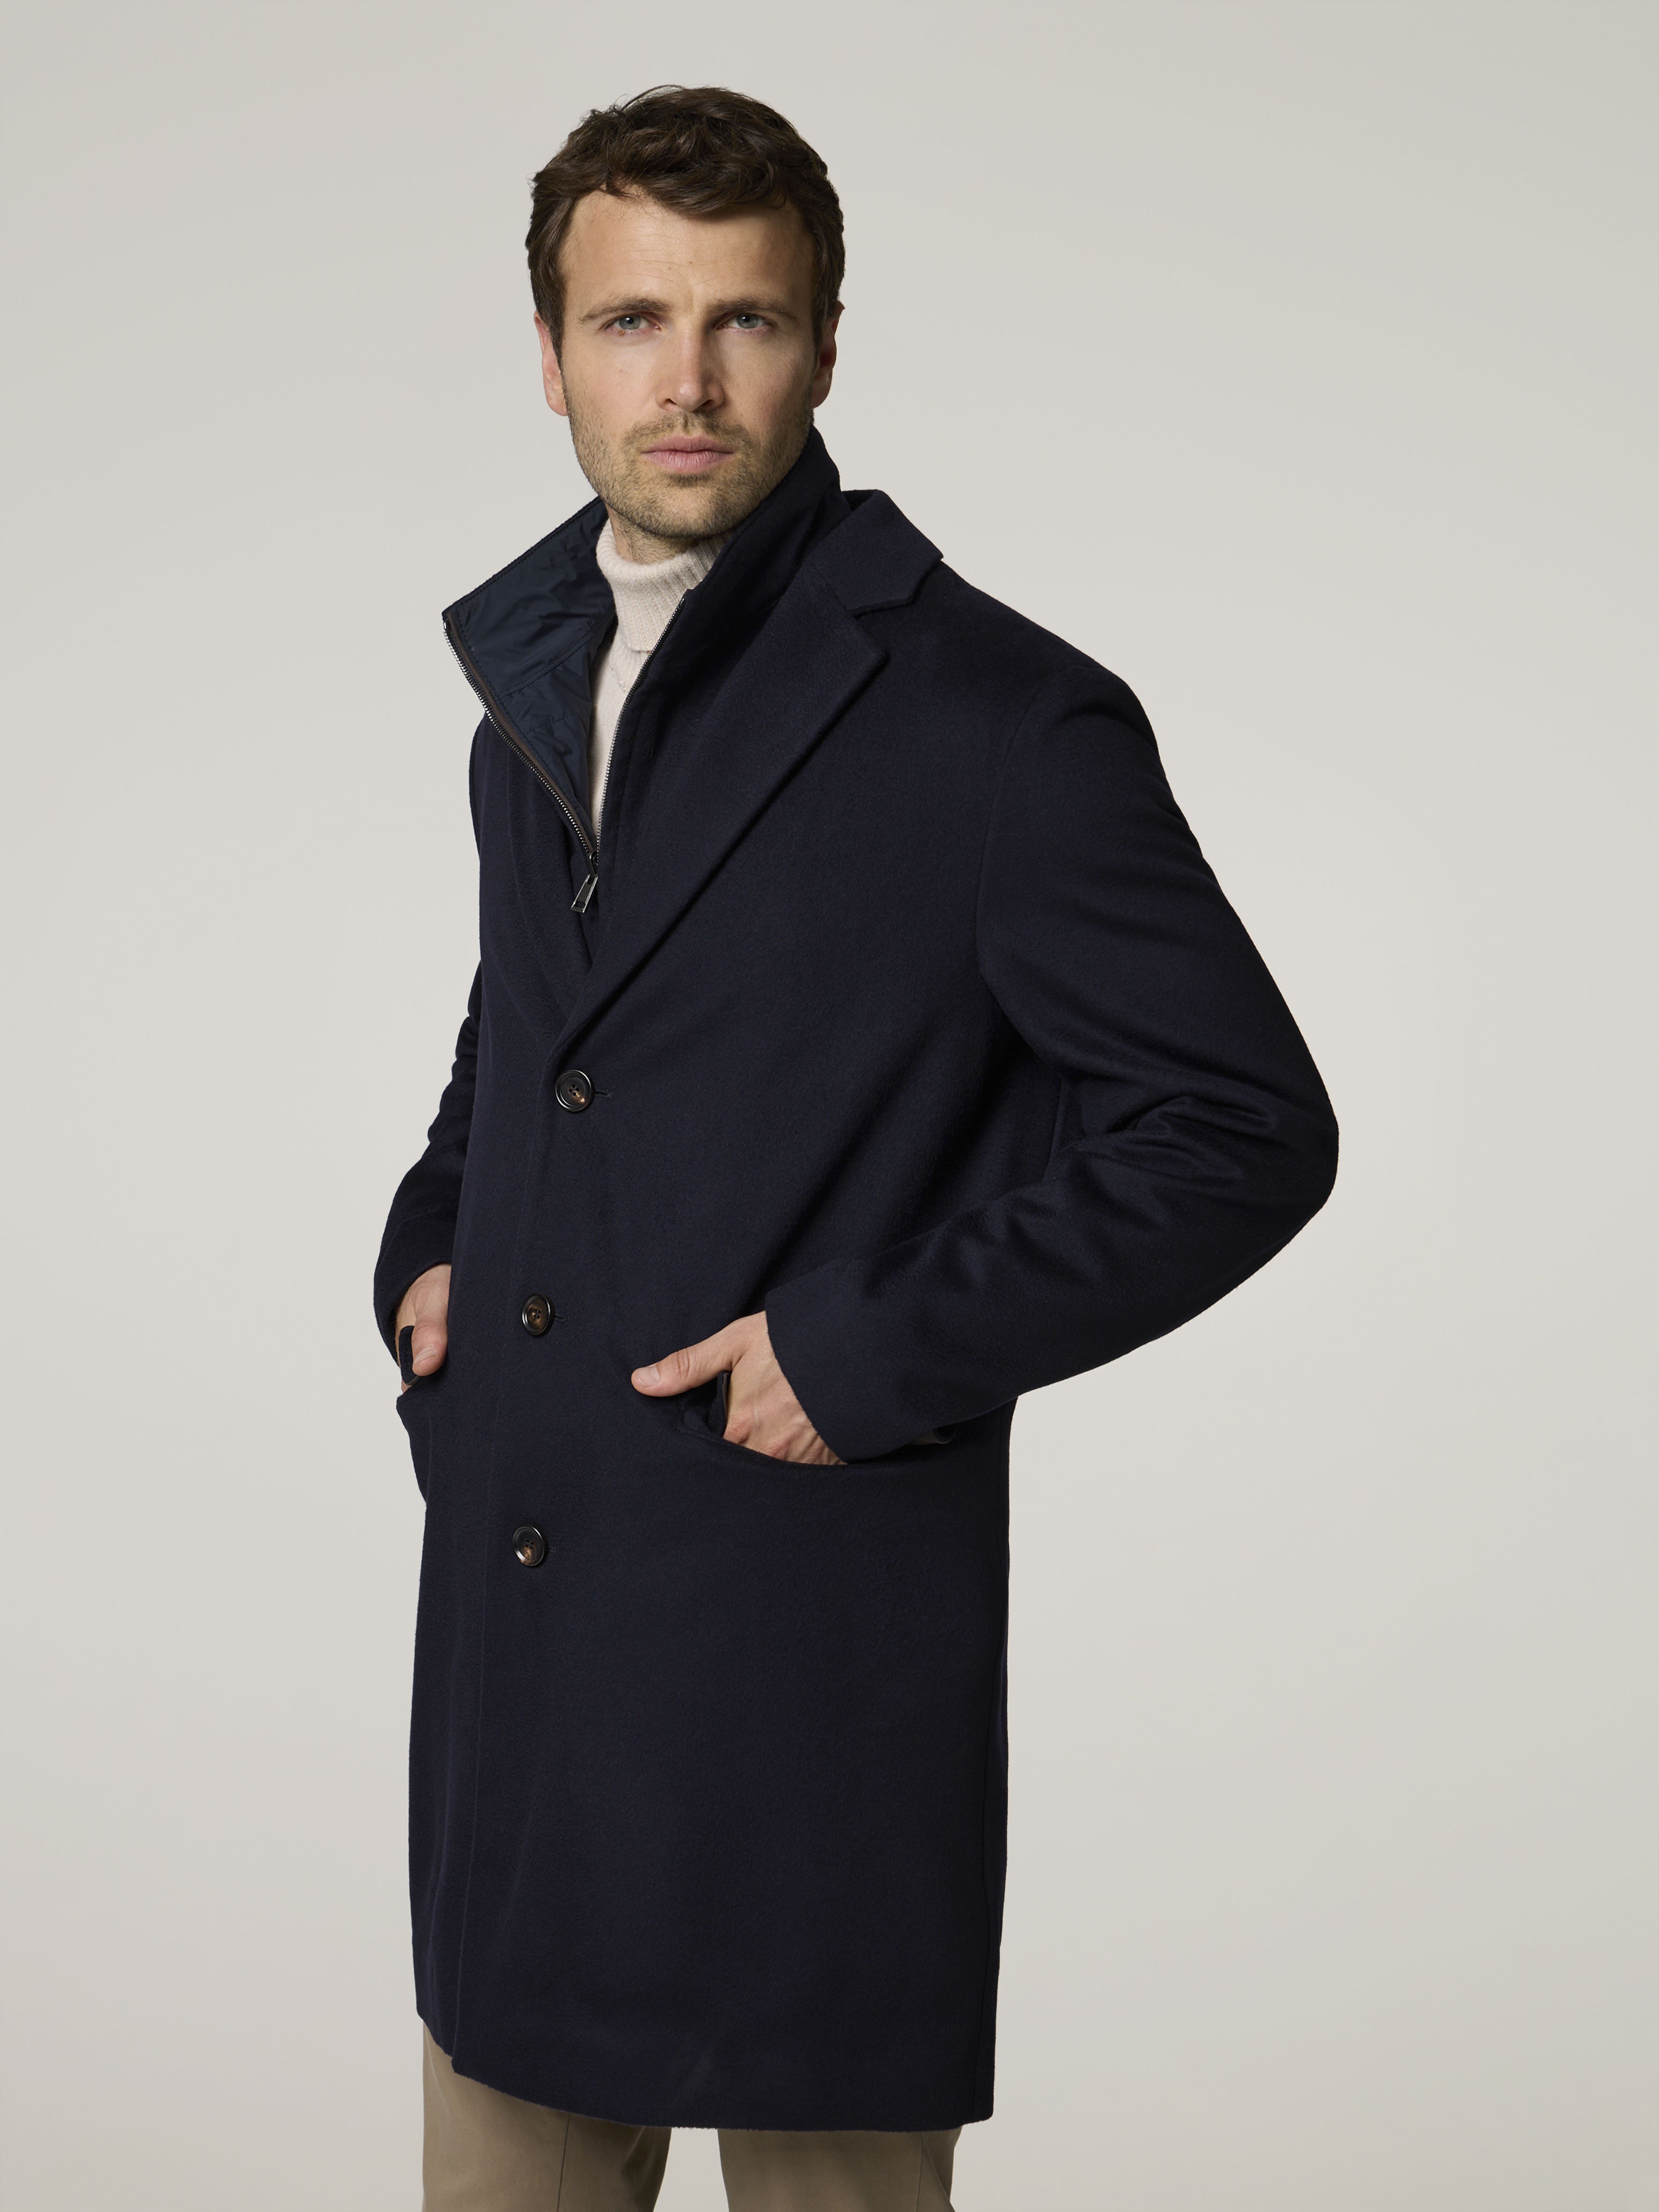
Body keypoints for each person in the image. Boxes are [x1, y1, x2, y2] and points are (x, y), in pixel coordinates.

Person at [377, 83, 1338, 2212]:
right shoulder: (527, 692)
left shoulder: (998, 717)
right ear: (548, 353)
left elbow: (1243, 1126)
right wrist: (432, 1245)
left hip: (793, 1675)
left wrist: (867, 1350)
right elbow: (528, 1031)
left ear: (824, 342)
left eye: (744, 319)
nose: (687, 381)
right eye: (631, 321)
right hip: (527, 1679)